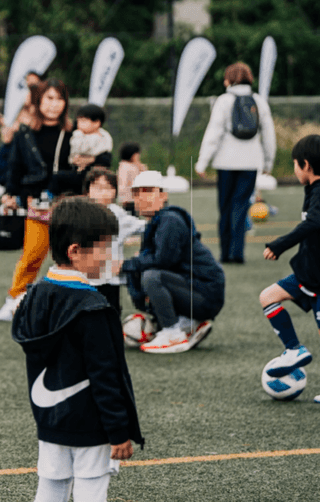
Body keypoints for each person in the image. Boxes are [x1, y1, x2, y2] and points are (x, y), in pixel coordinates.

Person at [11, 197, 143, 502]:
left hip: (49, 421)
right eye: (105, 246)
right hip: (89, 424)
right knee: (90, 501)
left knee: (48, 495)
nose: (110, 255)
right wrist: (120, 431)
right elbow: (107, 377)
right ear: (76, 251)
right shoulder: (94, 307)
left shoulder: (33, 297)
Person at [259, 135, 320, 405]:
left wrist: (280, 244)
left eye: (294, 164)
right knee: (268, 297)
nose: (294, 169)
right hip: (308, 272)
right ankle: (294, 349)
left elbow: (316, 220)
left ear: (305, 165)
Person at [0, 82, 79, 322]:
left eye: (59, 99)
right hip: (36, 203)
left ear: (65, 103)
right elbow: (15, 165)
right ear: (39, 102)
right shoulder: (25, 132)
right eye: (48, 98)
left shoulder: (74, 133)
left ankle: (74, 302)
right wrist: (10, 193)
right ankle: (16, 298)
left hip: (68, 204)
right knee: (33, 254)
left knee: (72, 256)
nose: (54, 104)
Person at [121, 170, 225, 354]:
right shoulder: (157, 223)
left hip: (205, 294)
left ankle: (172, 333)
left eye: (148, 191)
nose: (141, 197)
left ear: (163, 195)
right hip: (197, 290)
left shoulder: (170, 220)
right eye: (137, 193)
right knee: (147, 273)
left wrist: (126, 264)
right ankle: (187, 324)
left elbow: (162, 261)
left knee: (152, 276)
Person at [194, 62, 275, 264]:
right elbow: (268, 134)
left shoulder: (224, 101)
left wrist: (203, 162)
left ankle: (224, 253)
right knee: (240, 206)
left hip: (225, 162)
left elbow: (213, 133)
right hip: (251, 162)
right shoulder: (259, 101)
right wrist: (268, 162)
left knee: (225, 207)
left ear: (229, 80)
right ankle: (237, 252)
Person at [83, 169, 146, 315]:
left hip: (109, 278)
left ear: (115, 192)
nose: (103, 192)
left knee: (111, 313)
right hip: (84, 279)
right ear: (87, 191)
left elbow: (145, 227)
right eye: (98, 187)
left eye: (108, 188)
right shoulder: (81, 212)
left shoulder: (117, 214)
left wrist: (145, 250)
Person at [69, 104, 112, 175]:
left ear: (96, 123)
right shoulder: (78, 133)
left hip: (97, 170)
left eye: (83, 121)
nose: (79, 124)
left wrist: (92, 158)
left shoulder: (104, 136)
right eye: (78, 121)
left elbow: (106, 151)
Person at [114, 143, 144, 213]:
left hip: (136, 198)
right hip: (128, 200)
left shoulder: (135, 165)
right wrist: (123, 197)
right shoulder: (124, 166)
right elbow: (122, 182)